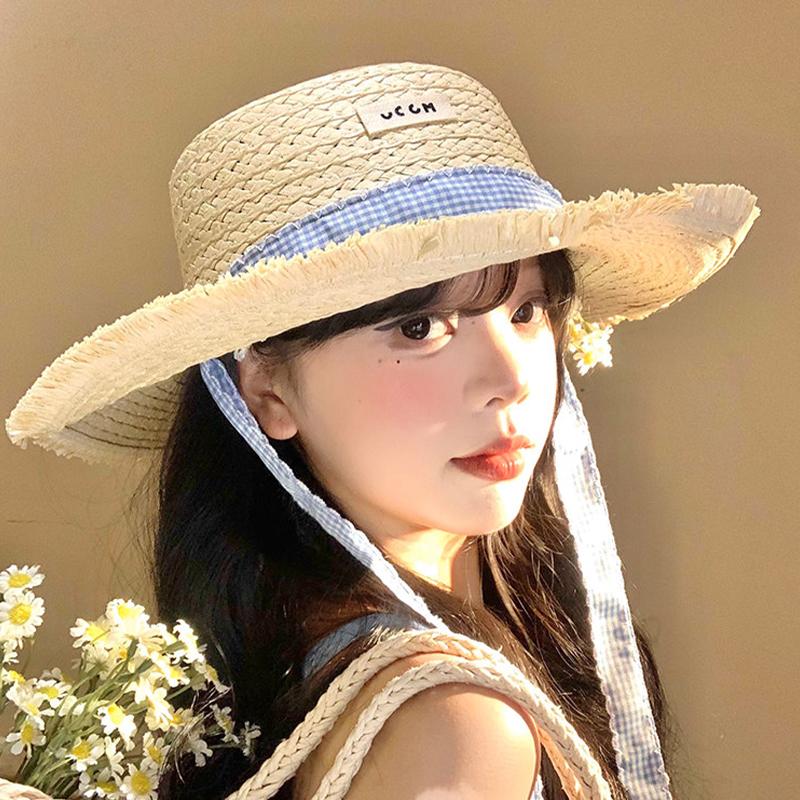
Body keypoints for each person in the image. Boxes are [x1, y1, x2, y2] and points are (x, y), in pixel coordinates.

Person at [4, 61, 760, 800]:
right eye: (421, 326)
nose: (510, 379)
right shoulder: (453, 729)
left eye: (527, 311)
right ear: (267, 391)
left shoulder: (297, 674)